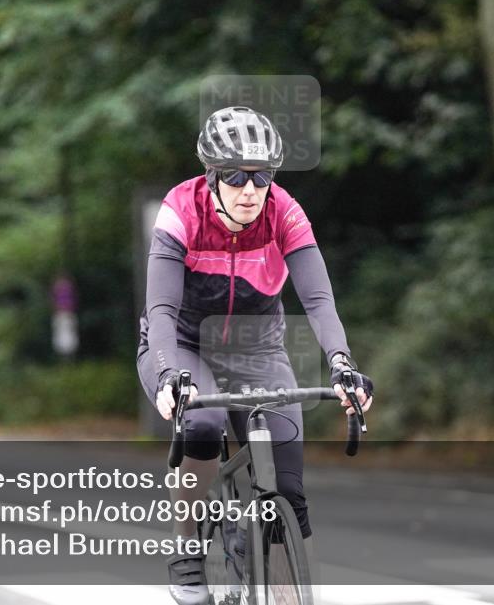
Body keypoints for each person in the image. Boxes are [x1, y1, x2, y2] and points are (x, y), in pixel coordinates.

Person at [137, 106, 374, 604]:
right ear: (212, 176)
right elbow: (159, 308)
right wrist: (167, 377)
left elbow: (318, 300)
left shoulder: (283, 211)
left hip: (256, 347)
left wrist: (342, 365)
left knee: (287, 490)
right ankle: (188, 550)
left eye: (262, 176)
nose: (250, 189)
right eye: (235, 177)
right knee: (202, 426)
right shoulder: (181, 209)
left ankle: (287, 590)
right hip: (183, 343)